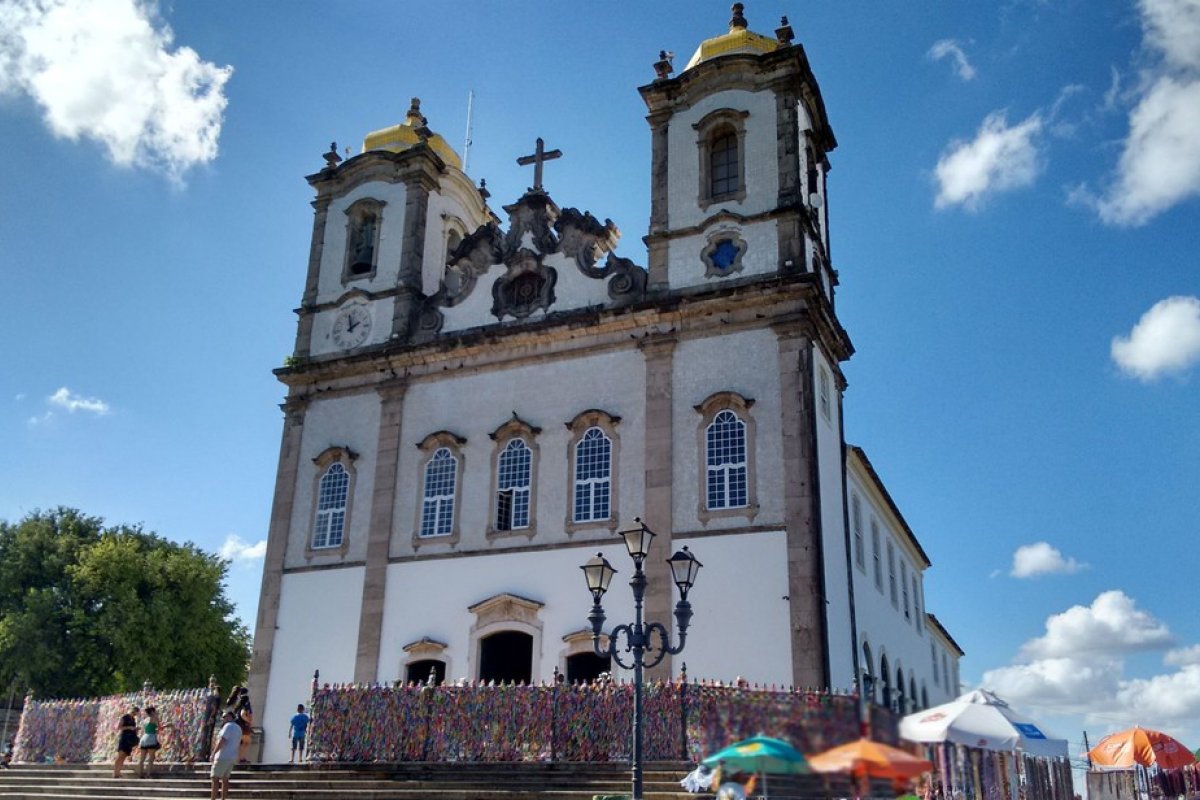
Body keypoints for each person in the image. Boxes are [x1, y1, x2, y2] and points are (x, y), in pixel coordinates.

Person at [210, 710, 240, 800]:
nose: (223, 719)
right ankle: (223, 798)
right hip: (232, 757)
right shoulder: (238, 728)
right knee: (225, 779)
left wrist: (213, 753)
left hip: (222, 756)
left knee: (215, 778)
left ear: (230, 717)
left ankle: (213, 799)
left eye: (224, 717)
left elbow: (222, 741)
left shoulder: (228, 726)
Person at [135, 706, 172, 778]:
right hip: (151, 738)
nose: (156, 712)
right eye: (155, 711)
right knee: (151, 758)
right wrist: (167, 725)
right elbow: (160, 728)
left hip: (143, 738)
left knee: (142, 759)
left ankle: (140, 774)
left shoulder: (145, 720)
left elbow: (146, 729)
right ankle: (148, 774)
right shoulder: (154, 718)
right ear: (152, 712)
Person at [112, 706, 139, 778]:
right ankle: (115, 772)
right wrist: (129, 727)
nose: (134, 714)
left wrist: (135, 729)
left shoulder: (133, 719)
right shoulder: (125, 717)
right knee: (120, 755)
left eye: (135, 713)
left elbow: (132, 728)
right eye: (134, 712)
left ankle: (118, 772)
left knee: (124, 756)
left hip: (130, 739)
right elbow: (119, 727)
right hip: (124, 738)